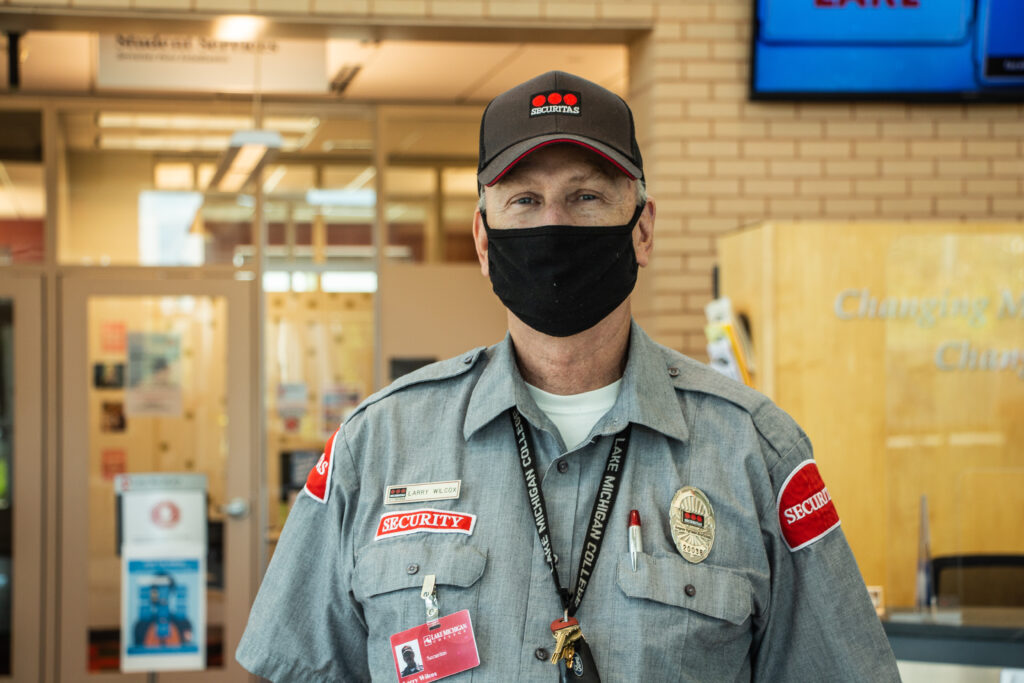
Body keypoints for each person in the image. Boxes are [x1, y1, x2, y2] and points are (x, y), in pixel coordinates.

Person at [236, 71, 900, 681]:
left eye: (585, 197)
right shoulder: (375, 445)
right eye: (524, 200)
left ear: (642, 229)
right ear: (482, 236)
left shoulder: (755, 450)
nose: (554, 225)